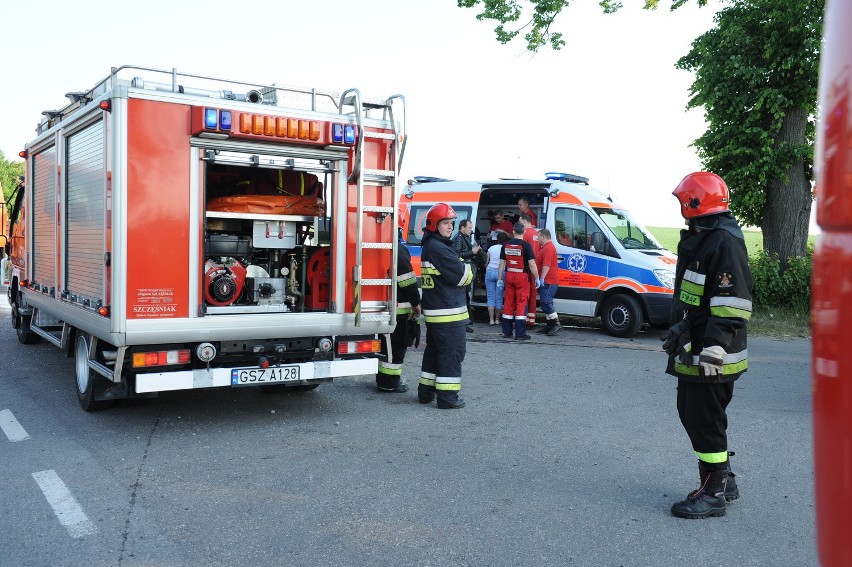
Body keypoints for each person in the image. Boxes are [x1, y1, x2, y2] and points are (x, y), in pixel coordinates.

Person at [661, 171, 753, 519]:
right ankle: (724, 481)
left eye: (683, 201)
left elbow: (732, 301)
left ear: (695, 203)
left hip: (713, 354)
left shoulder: (723, 242)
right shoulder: (705, 236)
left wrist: (714, 346)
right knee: (695, 412)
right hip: (696, 345)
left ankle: (713, 492)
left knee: (703, 418)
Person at [418, 203, 475, 409]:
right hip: (449, 314)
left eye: (451, 223)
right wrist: (472, 267)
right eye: (445, 223)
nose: (450, 226)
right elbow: (462, 276)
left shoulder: (432, 246)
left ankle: (426, 393)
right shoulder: (439, 249)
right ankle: (448, 398)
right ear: (434, 225)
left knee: (434, 354)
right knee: (452, 354)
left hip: (437, 314)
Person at [376, 208, 421, 393]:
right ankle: (389, 383)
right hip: (398, 309)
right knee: (395, 346)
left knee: (386, 346)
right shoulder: (398, 249)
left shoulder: (377, 243)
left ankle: (383, 380)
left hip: (380, 306)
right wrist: (416, 302)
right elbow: (408, 281)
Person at [497, 222, 540, 340]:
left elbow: (501, 263)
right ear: (524, 232)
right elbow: (532, 264)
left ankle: (507, 332)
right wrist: (537, 278)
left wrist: (500, 278)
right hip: (522, 277)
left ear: (513, 231)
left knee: (508, 303)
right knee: (521, 303)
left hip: (509, 274)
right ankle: (520, 333)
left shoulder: (505, 245)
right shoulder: (526, 246)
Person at [453, 219, 481, 333]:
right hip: (461, 272)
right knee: (463, 298)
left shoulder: (465, 237)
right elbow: (457, 255)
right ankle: (463, 323)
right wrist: (472, 253)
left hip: (466, 271)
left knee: (466, 297)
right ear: (462, 227)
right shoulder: (458, 239)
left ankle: (467, 320)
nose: (471, 230)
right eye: (469, 227)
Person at [535, 229, 561, 335]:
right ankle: (550, 325)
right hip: (548, 280)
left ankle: (556, 323)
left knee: (545, 302)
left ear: (544, 237)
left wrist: (542, 278)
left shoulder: (548, 248)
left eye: (539, 237)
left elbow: (546, 265)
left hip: (549, 280)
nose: (537, 239)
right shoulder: (546, 247)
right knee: (545, 302)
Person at [519, 213, 540, 328]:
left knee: (524, 295)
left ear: (524, 221)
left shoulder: (525, 233)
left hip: (526, 268)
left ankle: (522, 318)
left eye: (520, 220)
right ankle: (531, 320)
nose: (519, 223)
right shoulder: (536, 233)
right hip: (535, 268)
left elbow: (520, 250)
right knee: (533, 295)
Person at [485, 232, 509, 325]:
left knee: (490, 297)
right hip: (501, 273)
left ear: (497, 239)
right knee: (499, 297)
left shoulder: (491, 248)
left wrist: (486, 268)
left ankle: (491, 320)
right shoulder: (505, 248)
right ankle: (497, 319)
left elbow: (486, 261)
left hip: (490, 271)